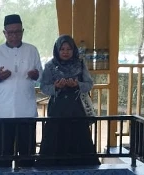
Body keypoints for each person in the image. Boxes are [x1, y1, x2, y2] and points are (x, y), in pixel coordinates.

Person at [0, 14, 43, 168]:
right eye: (10, 32)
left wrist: (36, 76)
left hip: (26, 111)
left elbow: (41, 77)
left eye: (18, 32)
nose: (14, 36)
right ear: (4, 33)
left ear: (23, 31)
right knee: (3, 158)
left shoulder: (32, 50)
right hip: (2, 113)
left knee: (27, 158)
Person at [38, 35, 100, 167]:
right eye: (62, 49)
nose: (65, 52)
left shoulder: (80, 64)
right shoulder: (50, 66)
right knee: (55, 140)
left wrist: (77, 85)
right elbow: (43, 87)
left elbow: (89, 84)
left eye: (68, 49)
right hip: (57, 110)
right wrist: (56, 86)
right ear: (57, 50)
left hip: (76, 109)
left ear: (74, 50)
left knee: (79, 139)